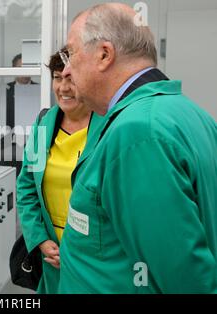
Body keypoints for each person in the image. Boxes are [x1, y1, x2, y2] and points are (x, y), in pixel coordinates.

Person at [58, 3, 217, 293]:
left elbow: (181, 277)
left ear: (104, 55)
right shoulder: (187, 113)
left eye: (70, 54)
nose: (66, 70)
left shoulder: (138, 132)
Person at [16, 51, 102, 293]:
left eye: (71, 79)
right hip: (51, 256)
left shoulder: (109, 126)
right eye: (57, 77)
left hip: (94, 257)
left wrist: (78, 250)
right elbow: (26, 188)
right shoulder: (44, 123)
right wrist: (40, 239)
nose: (63, 87)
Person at [2, 53, 38, 175]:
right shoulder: (5, 90)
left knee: (30, 177)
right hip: (8, 143)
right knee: (8, 178)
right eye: (20, 67)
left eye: (27, 67)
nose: (24, 71)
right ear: (13, 69)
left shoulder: (40, 89)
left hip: (32, 141)